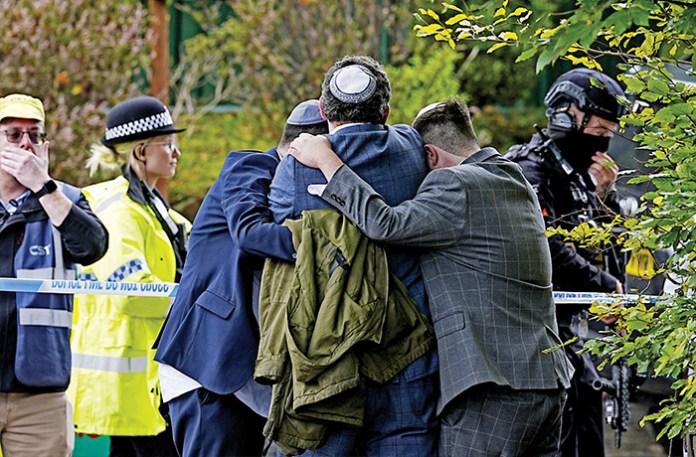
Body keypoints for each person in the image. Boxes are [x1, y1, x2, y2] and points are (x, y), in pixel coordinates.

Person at [288, 98, 574, 457]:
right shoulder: (511, 177)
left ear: (431, 156)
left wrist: (327, 161)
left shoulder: (455, 185)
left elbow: (385, 224)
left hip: (491, 389)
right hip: (548, 382)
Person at [269, 55, 438, 456]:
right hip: (407, 352)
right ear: (386, 109)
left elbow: (279, 218)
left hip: (330, 356)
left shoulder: (296, 168)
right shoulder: (412, 149)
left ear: (323, 110)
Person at [154, 100, 329, 457]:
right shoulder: (250, 165)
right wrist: (329, 244)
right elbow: (250, 232)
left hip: (243, 371)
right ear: (306, 149)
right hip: (207, 364)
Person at [504, 68, 628, 457]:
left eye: (609, 135)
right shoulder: (529, 172)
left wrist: (605, 198)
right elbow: (544, 248)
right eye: (596, 133)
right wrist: (605, 287)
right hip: (532, 343)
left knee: (588, 418)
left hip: (570, 337)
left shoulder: (578, 175)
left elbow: (608, 251)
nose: (602, 144)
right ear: (564, 116)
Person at [67, 96, 189, 457]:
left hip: (148, 377)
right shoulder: (119, 211)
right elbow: (131, 291)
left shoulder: (154, 207)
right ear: (140, 153)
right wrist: (193, 305)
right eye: (167, 144)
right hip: (128, 380)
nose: (176, 153)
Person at [0, 93, 107, 456]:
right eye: (13, 135)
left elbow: (92, 248)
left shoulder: (66, 199)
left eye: (34, 134)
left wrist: (44, 188)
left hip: (40, 393)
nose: (25, 143)